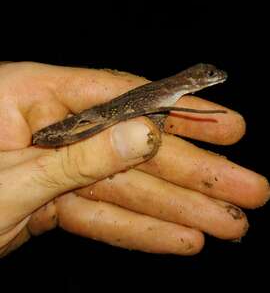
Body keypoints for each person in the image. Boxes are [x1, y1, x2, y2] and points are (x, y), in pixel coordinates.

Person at [0, 61, 268, 257]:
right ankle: (46, 137)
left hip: (108, 112)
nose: (216, 77)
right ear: (194, 80)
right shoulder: (170, 91)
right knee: (71, 129)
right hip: (106, 113)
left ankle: (48, 136)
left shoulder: (171, 91)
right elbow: (154, 109)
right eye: (210, 75)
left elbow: (158, 110)